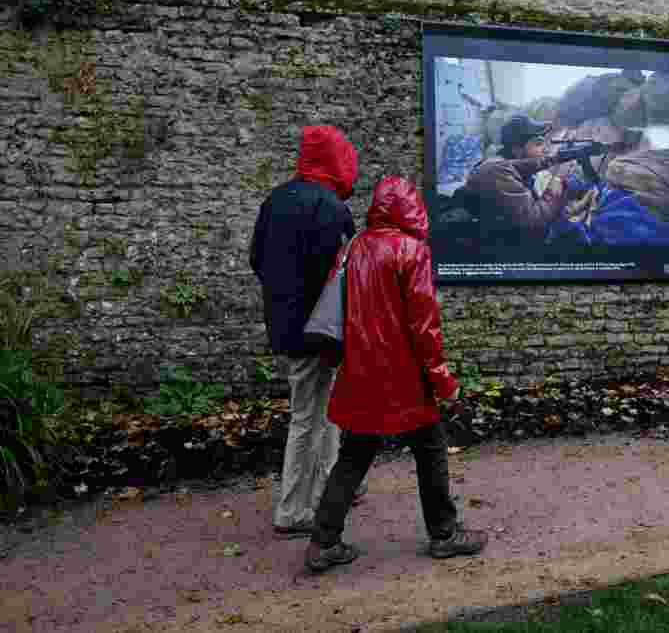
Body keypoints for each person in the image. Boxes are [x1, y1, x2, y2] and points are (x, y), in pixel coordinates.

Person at [303, 174, 488, 573]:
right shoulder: (411, 250)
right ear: (411, 206)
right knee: (430, 449)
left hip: (361, 368)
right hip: (404, 375)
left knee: (354, 455)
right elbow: (424, 325)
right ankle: (444, 534)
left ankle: (323, 541)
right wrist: (442, 380)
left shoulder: (353, 247)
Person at [249, 125, 365, 540]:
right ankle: (294, 509)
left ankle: (333, 486)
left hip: (287, 327)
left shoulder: (275, 200)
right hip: (324, 330)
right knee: (309, 417)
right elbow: (343, 275)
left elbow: (257, 259)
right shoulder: (331, 208)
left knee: (320, 409)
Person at [455, 113, 607, 245]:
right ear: (517, 148)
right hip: (502, 245)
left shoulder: (505, 163)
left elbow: (533, 164)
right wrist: (553, 192)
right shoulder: (496, 170)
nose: (546, 149)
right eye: (539, 143)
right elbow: (535, 222)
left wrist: (558, 160)